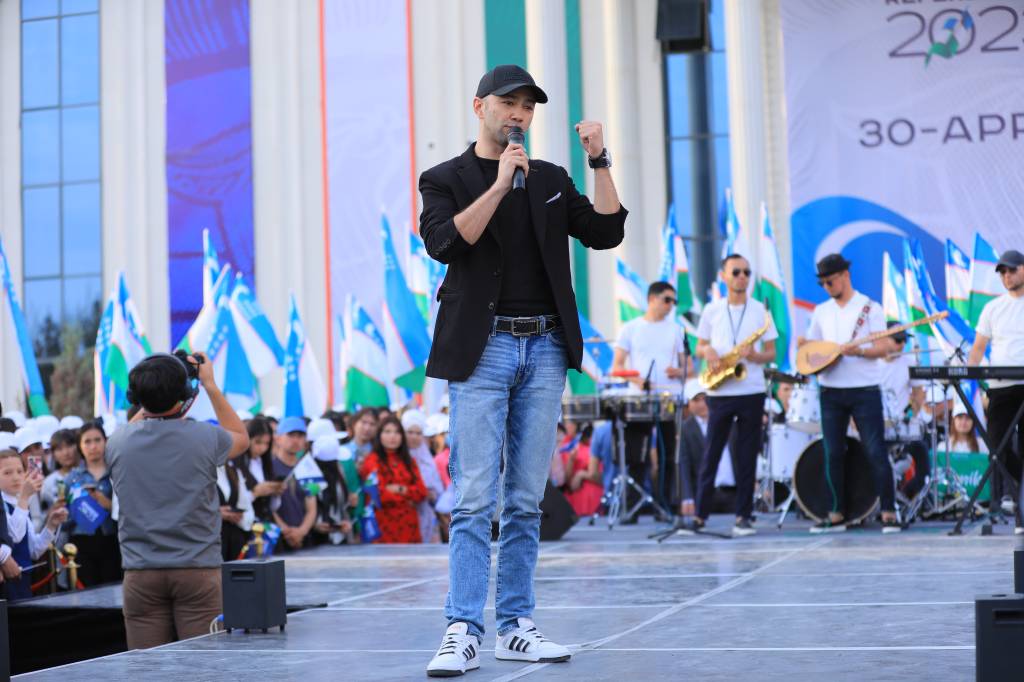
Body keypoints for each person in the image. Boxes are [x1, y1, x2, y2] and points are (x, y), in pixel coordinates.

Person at [419, 63, 626, 675]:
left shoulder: (552, 179)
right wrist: (500, 183)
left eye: (528, 106)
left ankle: (515, 625)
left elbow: (606, 232)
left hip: (544, 347)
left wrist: (599, 159)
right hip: (481, 349)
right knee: (474, 496)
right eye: (508, 103)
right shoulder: (445, 178)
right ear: (479, 106)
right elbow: (445, 243)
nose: (519, 114)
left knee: (527, 499)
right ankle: (463, 628)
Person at [106, 351, 249, 649]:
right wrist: (208, 385)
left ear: (135, 397)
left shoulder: (117, 442)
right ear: (184, 393)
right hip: (197, 570)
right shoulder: (206, 437)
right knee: (203, 665)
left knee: (146, 666)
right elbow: (240, 435)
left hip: (140, 572)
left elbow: (142, 420)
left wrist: (155, 388)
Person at [799, 254, 899, 533]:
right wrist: (805, 347)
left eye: (830, 281)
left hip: (864, 389)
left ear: (845, 275)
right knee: (832, 452)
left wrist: (861, 351)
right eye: (822, 283)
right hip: (831, 390)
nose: (827, 287)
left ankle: (889, 511)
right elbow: (814, 349)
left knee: (875, 450)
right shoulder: (821, 311)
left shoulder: (869, 307)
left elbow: (885, 348)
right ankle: (836, 513)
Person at [694, 254, 777, 537]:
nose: (742, 277)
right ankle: (699, 515)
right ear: (724, 276)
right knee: (712, 453)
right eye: (737, 272)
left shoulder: (761, 311)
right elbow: (699, 346)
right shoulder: (712, 310)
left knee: (746, 455)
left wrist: (755, 355)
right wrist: (708, 351)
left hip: (751, 389)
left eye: (746, 272)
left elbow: (772, 352)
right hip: (720, 389)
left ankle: (743, 515)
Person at [611, 281, 690, 519]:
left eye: (673, 301)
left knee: (668, 454)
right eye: (667, 300)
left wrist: (679, 371)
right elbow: (617, 366)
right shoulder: (630, 328)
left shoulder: (677, 330)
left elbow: (689, 367)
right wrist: (638, 381)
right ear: (652, 299)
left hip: (668, 398)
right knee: (638, 453)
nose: (671, 305)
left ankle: (665, 505)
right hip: (640, 399)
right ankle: (632, 507)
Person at [968, 249, 1024, 526]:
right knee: (995, 444)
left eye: (1012, 270)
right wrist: (968, 372)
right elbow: (978, 348)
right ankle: (1021, 486)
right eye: (1002, 272)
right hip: (1000, 386)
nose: (1007, 276)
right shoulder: (992, 308)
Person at [0, 450, 68, 599]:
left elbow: (34, 550)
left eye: (20, 471)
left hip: (24, 578)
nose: (15, 477)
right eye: (7, 473)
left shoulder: (19, 502)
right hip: (6, 580)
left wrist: (51, 525)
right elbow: (15, 537)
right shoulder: (7, 503)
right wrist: (24, 498)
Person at [65, 421, 122, 585]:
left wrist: (107, 504)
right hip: (81, 542)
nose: (93, 446)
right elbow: (66, 518)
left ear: (106, 441)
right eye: (87, 442)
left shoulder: (116, 473)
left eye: (97, 440)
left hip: (112, 540)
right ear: (80, 446)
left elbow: (128, 510)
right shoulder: (72, 477)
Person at [358, 416, 428, 543]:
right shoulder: (372, 461)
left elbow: (422, 492)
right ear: (379, 435)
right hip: (384, 526)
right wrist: (408, 496)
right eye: (387, 431)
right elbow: (378, 495)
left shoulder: (408, 461)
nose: (393, 436)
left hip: (409, 526)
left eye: (397, 432)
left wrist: (400, 489)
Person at [269, 417, 318, 551]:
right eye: (291, 435)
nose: (296, 440)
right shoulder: (269, 468)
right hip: (277, 539)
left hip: (304, 539)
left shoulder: (308, 468)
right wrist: (285, 531)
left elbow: (312, 508)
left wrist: (301, 531)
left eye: (300, 436)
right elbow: (268, 507)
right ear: (278, 438)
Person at [403, 410, 445, 543]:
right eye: (410, 432)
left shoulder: (428, 459)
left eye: (418, 433)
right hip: (403, 514)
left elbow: (438, 488)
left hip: (427, 514)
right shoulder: (399, 457)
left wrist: (432, 494)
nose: (414, 437)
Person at [236, 417, 284, 522]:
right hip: (243, 524)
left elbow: (272, 507)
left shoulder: (265, 463)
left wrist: (275, 492)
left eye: (267, 443)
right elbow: (233, 503)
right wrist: (255, 493)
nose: (262, 448)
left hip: (263, 523)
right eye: (258, 442)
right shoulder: (236, 463)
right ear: (248, 438)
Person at [560, 425, 602, 517]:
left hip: (595, 503)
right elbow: (568, 481)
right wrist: (571, 460)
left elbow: (604, 479)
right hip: (575, 502)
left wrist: (582, 474)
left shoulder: (599, 450)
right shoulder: (570, 447)